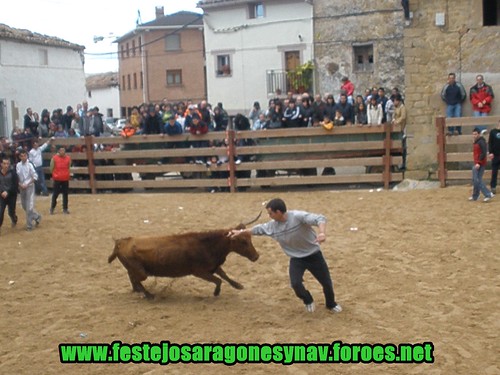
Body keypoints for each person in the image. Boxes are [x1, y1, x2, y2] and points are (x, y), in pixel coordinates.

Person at [229, 198, 342, 314]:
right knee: (296, 284)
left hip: (314, 255)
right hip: (296, 259)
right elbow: (258, 229)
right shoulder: (273, 226)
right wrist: (239, 232)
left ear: (278, 212)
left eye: (270, 213)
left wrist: (322, 232)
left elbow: (320, 218)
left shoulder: (298, 216)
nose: (269, 216)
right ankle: (307, 300)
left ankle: (331, 304)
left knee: (326, 283)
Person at [16, 149, 41, 231]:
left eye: (25, 156)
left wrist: (27, 184)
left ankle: (29, 225)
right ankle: (37, 216)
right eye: (22, 156)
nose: (23, 157)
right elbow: (16, 177)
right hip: (21, 187)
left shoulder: (30, 165)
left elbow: (35, 176)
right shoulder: (18, 165)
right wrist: (20, 185)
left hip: (29, 186)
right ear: (20, 157)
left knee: (29, 207)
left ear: (27, 156)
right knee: (24, 205)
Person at [470, 127, 494, 202]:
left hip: (479, 163)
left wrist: (478, 162)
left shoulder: (481, 142)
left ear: (479, 134)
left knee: (477, 180)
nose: (474, 135)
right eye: (473, 134)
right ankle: (475, 196)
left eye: (475, 134)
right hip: (478, 162)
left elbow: (483, 153)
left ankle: (487, 194)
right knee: (476, 180)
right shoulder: (478, 141)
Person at [50, 146, 71, 214]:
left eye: (63, 150)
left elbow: (68, 167)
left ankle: (65, 208)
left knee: (65, 194)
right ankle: (52, 208)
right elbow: (51, 168)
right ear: (58, 151)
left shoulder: (68, 158)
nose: (62, 152)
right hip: (57, 178)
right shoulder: (54, 158)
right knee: (55, 194)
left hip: (65, 178)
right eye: (61, 150)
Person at [0, 157, 18, 235]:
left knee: (11, 212)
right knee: (0, 212)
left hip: (11, 195)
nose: (6, 165)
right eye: (4, 164)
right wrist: (2, 192)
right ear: (1, 164)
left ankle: (14, 219)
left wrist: (8, 192)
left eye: (7, 164)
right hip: (1, 195)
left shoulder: (13, 173)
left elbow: (15, 185)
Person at [392, 94, 407, 170]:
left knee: (403, 147)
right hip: (397, 129)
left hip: (402, 128)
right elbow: (394, 116)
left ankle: (403, 164)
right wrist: (393, 120)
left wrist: (397, 121)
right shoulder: (396, 108)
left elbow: (403, 117)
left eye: (394, 101)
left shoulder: (402, 107)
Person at [487, 119, 500, 194]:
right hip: (495, 155)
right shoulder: (493, 132)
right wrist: (490, 152)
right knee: (494, 172)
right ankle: (493, 187)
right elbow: (490, 142)